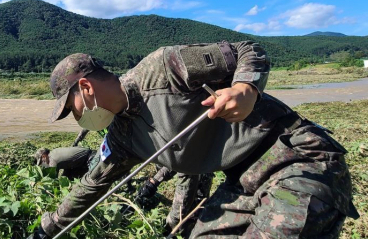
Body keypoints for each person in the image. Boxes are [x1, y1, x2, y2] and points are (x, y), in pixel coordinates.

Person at [25, 41, 358, 238]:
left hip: (298, 159)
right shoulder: (122, 135)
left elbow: (247, 50)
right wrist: (45, 230)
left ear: (85, 88)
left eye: (72, 109)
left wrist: (245, 89)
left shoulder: (162, 69)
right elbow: (92, 187)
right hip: (243, 182)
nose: (77, 118)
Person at [35, 123, 214, 235]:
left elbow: (177, 163)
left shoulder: (170, 135)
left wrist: (154, 182)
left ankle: (185, 228)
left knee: (188, 211)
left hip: (199, 165)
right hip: (187, 161)